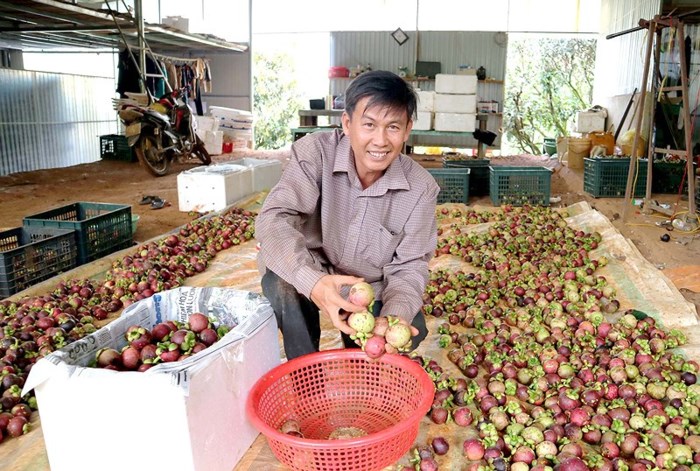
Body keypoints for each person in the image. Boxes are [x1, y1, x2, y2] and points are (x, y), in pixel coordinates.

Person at [255, 70, 439, 360]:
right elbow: (275, 218)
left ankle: (362, 349)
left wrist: (392, 320)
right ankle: (305, 366)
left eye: (393, 127)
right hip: (313, 265)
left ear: (407, 129)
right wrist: (313, 282)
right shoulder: (314, 153)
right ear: (347, 123)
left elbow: (410, 266)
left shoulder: (421, 189)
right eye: (369, 125)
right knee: (281, 281)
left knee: (402, 334)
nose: (380, 140)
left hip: (369, 286)